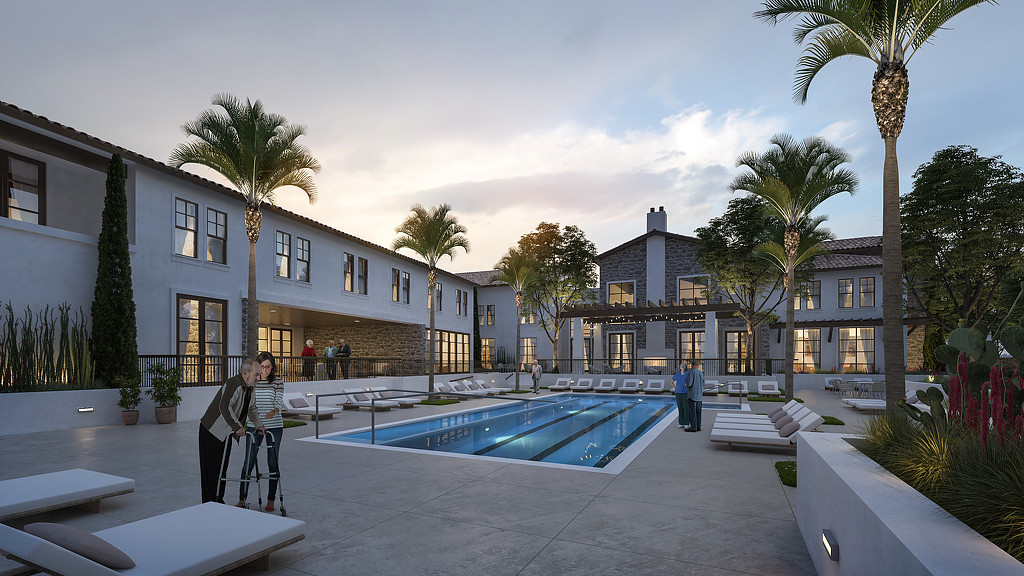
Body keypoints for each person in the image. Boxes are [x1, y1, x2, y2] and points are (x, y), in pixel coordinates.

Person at [198, 358, 264, 503]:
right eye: (256, 374)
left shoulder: (250, 388)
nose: (258, 378)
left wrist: (259, 425)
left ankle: (218, 499)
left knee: (222, 468)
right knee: (211, 469)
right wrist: (237, 427)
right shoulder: (234, 384)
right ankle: (209, 502)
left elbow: (251, 408)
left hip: (226, 433)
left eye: (259, 375)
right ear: (245, 373)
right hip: (212, 430)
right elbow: (224, 407)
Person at [237, 352, 285, 511]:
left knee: (273, 462)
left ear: (272, 367)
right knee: (249, 461)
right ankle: (242, 499)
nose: (265, 370)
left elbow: (278, 400)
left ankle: (271, 499)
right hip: (254, 426)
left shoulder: (277, 381)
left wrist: (275, 410)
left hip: (274, 426)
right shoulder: (252, 381)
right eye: (262, 367)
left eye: (268, 367)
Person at [685, 359, 706, 432]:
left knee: (692, 412)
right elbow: (703, 384)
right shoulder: (701, 373)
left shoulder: (691, 373)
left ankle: (693, 427)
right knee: (698, 412)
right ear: (698, 366)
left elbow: (689, 384)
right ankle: (698, 426)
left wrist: (685, 385)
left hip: (692, 396)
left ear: (692, 365)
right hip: (699, 396)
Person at [671, 362, 691, 428]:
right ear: (679, 367)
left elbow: (691, 381)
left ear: (685, 367)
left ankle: (686, 423)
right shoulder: (677, 375)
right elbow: (671, 381)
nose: (682, 366)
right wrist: (675, 387)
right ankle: (681, 423)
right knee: (680, 408)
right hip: (678, 392)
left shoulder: (688, 374)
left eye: (683, 365)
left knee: (686, 408)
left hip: (685, 392)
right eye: (681, 365)